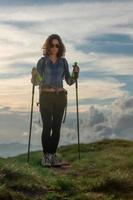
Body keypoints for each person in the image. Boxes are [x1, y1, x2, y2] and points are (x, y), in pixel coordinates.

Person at [31, 34, 79, 167]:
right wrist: (34, 75)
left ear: (60, 47)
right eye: (52, 45)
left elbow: (69, 81)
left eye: (57, 45)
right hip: (46, 96)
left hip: (60, 97)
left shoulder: (63, 62)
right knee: (47, 127)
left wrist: (76, 73)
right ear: (48, 46)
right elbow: (36, 82)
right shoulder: (42, 61)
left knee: (56, 127)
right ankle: (46, 157)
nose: (54, 48)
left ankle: (51, 156)